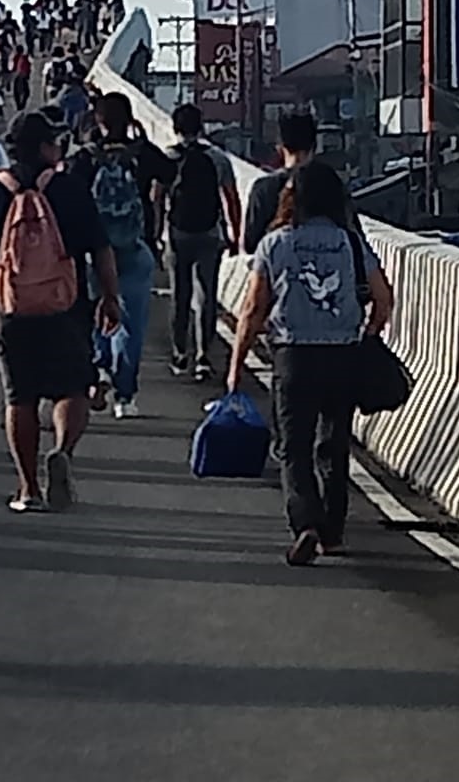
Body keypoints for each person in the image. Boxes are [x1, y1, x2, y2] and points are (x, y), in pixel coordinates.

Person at [227, 161, 393, 565]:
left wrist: (237, 363)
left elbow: (252, 309)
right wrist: (368, 334)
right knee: (333, 446)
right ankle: (333, 533)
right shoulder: (351, 242)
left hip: (294, 356)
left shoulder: (276, 244)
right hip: (343, 355)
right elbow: (384, 299)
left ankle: (305, 525)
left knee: (293, 447)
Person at [0, 112, 121, 513]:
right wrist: (110, 297)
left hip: (10, 309)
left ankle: (28, 488)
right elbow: (101, 247)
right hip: (65, 306)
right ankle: (63, 450)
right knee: (73, 387)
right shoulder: (68, 189)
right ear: (47, 148)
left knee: (20, 397)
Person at [65, 92, 175, 419]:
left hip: (94, 252)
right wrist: (140, 136)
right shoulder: (142, 154)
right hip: (135, 247)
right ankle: (125, 396)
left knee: (97, 314)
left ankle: (99, 368)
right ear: (129, 120)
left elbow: (69, 191)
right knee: (133, 325)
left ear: (98, 121)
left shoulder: (85, 159)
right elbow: (171, 172)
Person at [163, 102, 242, 382]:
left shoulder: (169, 157)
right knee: (207, 295)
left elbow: (156, 196)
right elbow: (231, 197)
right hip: (210, 233)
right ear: (202, 127)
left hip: (177, 232)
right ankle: (204, 358)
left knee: (179, 294)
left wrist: (157, 232)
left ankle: (179, 352)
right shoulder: (218, 158)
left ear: (175, 128)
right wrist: (235, 233)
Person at [244, 110, 321, 254]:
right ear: (314, 147)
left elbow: (251, 244)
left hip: (278, 273)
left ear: (280, 148)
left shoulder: (263, 188)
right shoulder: (331, 186)